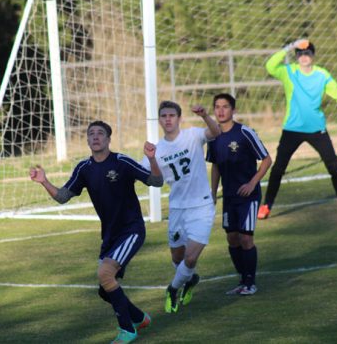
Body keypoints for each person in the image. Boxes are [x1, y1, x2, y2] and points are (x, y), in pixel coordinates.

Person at [30, 120, 163, 344]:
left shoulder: (122, 162)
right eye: (91, 133)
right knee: (105, 289)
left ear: (108, 139)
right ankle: (139, 318)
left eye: (100, 133)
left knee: (105, 275)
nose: (95, 137)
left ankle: (127, 330)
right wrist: (44, 181)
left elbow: (157, 181)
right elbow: (63, 197)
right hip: (110, 235)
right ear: (88, 140)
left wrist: (151, 158)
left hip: (131, 230)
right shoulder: (84, 168)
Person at [257, 39, 337, 220]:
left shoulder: (322, 75)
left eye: (307, 53)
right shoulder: (289, 72)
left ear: (313, 56)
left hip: (317, 129)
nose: (304, 57)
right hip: (292, 129)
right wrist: (288, 48)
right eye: (300, 54)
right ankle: (266, 206)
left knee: (334, 167)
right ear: (296, 56)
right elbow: (270, 66)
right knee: (278, 168)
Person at [141, 100, 221, 313]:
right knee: (178, 258)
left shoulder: (193, 135)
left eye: (172, 115)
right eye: (164, 116)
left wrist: (205, 115)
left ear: (179, 118)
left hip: (202, 206)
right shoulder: (156, 151)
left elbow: (216, 132)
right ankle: (190, 279)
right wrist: (151, 159)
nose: (168, 119)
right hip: (177, 209)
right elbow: (150, 178)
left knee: (191, 257)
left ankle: (172, 289)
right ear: (159, 120)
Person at [207, 93, 272, 295]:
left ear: (233, 110)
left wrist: (252, 183)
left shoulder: (244, 132)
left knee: (246, 239)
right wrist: (213, 192)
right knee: (232, 238)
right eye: (217, 107)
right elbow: (216, 166)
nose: (220, 110)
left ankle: (251, 283)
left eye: (225, 106)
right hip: (229, 197)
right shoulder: (213, 137)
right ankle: (242, 280)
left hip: (248, 196)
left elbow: (267, 159)